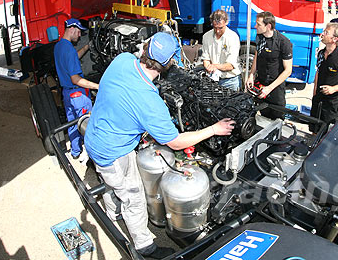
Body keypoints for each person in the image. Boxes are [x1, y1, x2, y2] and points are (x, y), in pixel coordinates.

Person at [84, 32, 235, 259]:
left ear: (145, 49)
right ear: (169, 62)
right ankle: (145, 247)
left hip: (94, 136)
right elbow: (175, 142)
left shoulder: (122, 60)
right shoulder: (150, 103)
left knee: (110, 184)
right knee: (133, 199)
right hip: (114, 152)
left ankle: (112, 213)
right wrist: (214, 129)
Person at [54, 18, 99, 160]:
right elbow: (76, 79)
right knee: (87, 125)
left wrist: (87, 47)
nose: (79, 35)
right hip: (78, 94)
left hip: (66, 94)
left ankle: (75, 151)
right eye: (78, 32)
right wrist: (98, 86)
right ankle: (92, 155)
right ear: (72, 29)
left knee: (73, 124)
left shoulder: (59, 46)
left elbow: (72, 57)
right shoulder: (69, 50)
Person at [246, 11, 293, 119]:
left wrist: (269, 88)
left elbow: (288, 70)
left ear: (268, 26)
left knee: (276, 120)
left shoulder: (283, 42)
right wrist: (251, 76)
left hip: (275, 88)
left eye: (258, 24)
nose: (255, 26)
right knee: (263, 118)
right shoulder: (259, 37)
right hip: (261, 86)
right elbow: (257, 56)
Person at [310, 22, 338, 132]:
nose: (323, 34)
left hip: (332, 104)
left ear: (334, 39)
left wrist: (333, 89)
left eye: (326, 32)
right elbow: (318, 72)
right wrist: (315, 93)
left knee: (328, 132)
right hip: (318, 99)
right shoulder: (321, 53)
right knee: (314, 129)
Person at [201, 10, 241, 91]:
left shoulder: (233, 37)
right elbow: (206, 59)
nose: (218, 31)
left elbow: (230, 65)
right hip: (212, 80)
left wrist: (214, 66)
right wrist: (208, 67)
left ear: (226, 22)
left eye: (220, 28)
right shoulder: (206, 36)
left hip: (230, 81)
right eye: (215, 27)